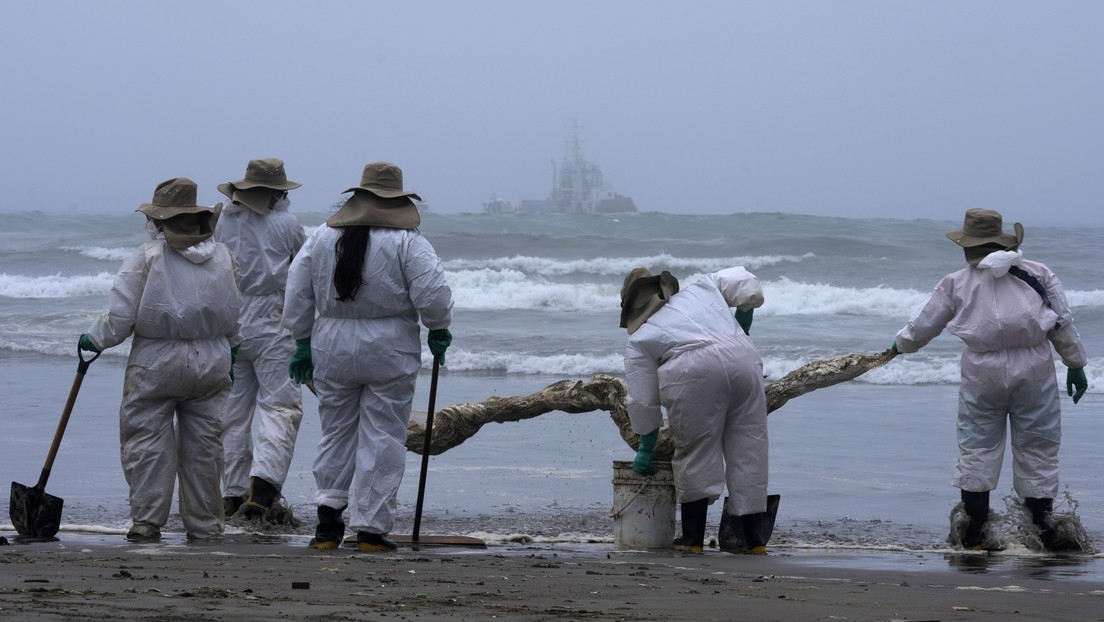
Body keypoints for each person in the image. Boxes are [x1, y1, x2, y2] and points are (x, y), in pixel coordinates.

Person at [893, 208, 1088, 550]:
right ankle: (1041, 533)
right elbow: (1061, 322)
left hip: (982, 372)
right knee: (1038, 447)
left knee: (978, 447)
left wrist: (898, 346)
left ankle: (974, 535)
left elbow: (923, 325)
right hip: (1035, 370)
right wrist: (1075, 363)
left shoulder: (956, 282)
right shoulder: (1038, 273)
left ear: (968, 246)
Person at [283, 161, 454, 551]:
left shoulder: (323, 237)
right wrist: (439, 328)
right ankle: (371, 530)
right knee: (382, 434)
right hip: (389, 345)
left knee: (336, 431)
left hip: (331, 343)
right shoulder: (409, 241)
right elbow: (433, 294)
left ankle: (327, 526)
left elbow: (297, 290)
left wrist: (302, 339)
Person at [79, 177, 243, 541]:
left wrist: (94, 338)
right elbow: (234, 314)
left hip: (157, 360)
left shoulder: (146, 257)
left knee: (146, 440)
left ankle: (148, 520)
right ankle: (204, 525)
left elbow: (120, 319)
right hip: (213, 358)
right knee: (205, 446)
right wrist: (231, 349)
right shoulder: (223, 257)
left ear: (160, 221)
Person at [621, 266, 770, 554]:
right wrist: (743, 326)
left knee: (696, 452)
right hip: (745, 360)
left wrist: (646, 448)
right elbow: (746, 285)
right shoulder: (703, 288)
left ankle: (692, 540)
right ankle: (754, 541)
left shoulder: (639, 340)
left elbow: (642, 400)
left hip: (693, 372)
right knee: (750, 448)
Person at [214, 158, 307, 521]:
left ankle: (232, 493)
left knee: (232, 413)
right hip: (273, 321)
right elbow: (302, 271)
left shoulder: (221, 219)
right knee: (280, 407)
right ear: (276, 192)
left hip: (231, 320)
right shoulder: (287, 223)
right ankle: (262, 490)